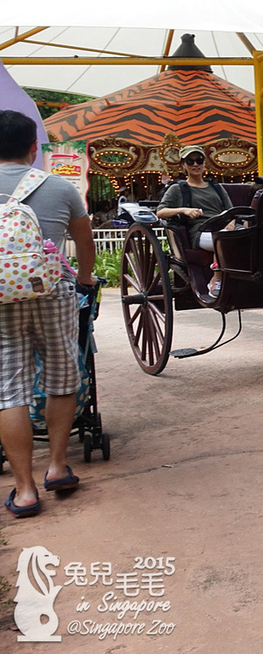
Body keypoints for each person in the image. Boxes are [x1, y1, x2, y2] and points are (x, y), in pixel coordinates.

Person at [0, 109, 98, 518]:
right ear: (33, 147)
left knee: (9, 388)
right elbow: (85, 240)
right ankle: (57, 467)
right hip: (51, 291)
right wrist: (88, 277)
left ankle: (24, 490)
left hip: (0, 296)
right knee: (60, 376)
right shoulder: (58, 187)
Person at [156, 145, 232, 295]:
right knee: (221, 238)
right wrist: (183, 209)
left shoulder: (216, 187)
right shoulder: (177, 188)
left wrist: (231, 222)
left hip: (224, 228)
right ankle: (216, 278)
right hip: (201, 232)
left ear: (204, 163)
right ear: (183, 165)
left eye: (199, 160)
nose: (195, 164)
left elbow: (230, 211)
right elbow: (160, 212)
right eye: (190, 162)